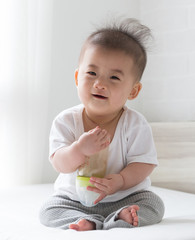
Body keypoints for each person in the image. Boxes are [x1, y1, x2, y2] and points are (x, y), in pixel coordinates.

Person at [39, 18, 164, 231]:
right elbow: (60, 164)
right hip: (75, 200)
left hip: (124, 197)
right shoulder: (66, 120)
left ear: (133, 91)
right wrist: (78, 149)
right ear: (78, 77)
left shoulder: (135, 123)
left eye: (114, 77)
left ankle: (120, 216)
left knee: (154, 205)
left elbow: (144, 164)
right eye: (92, 73)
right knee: (48, 210)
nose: (100, 84)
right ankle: (89, 221)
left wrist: (121, 181)